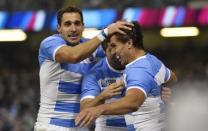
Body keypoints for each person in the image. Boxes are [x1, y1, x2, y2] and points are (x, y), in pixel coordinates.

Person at [34, 6, 133, 131]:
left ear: (83, 26)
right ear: (59, 28)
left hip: (81, 127)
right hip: (52, 126)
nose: (73, 29)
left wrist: (155, 84)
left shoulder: (90, 46)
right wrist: (105, 32)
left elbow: (121, 54)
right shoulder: (49, 43)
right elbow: (73, 55)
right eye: (67, 24)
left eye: (77, 23)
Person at [75, 21, 177, 131]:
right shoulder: (153, 61)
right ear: (104, 51)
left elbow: (133, 102)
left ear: (129, 43)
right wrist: (102, 96)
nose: (114, 52)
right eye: (110, 48)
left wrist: (100, 109)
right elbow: (172, 78)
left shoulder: (138, 69)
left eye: (115, 46)